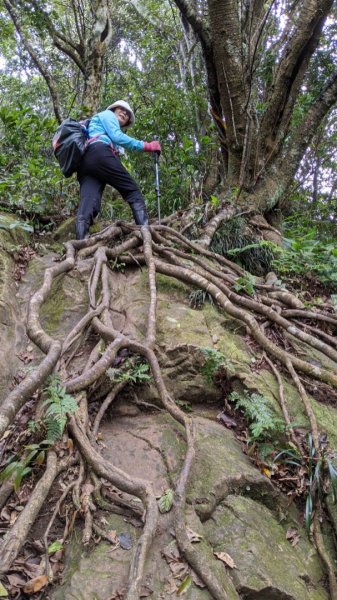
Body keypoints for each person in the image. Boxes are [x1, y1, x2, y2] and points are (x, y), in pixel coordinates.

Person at [76, 100, 161, 240]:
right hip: (99, 153)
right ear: (114, 109)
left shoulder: (101, 124)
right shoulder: (108, 115)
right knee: (132, 191)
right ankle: (147, 237)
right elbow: (117, 136)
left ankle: (81, 242)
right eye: (121, 109)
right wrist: (147, 146)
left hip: (86, 162)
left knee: (89, 201)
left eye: (127, 114)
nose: (124, 113)